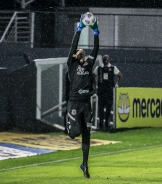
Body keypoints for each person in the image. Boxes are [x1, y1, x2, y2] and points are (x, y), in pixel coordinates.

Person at [66, 14, 99, 179]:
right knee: (75, 133)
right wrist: (79, 29)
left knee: (87, 133)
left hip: (86, 104)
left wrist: (96, 32)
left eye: (81, 52)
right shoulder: (71, 65)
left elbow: (96, 49)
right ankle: (70, 126)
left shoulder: (88, 64)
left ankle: (84, 164)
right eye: (77, 52)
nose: (79, 52)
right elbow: (73, 46)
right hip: (74, 103)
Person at [93, 55, 123, 131]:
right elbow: (93, 76)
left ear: (109, 60)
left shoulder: (113, 68)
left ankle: (107, 124)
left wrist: (117, 83)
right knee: (101, 108)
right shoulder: (99, 68)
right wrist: (95, 85)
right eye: (104, 59)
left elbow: (120, 75)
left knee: (108, 108)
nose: (105, 60)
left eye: (107, 59)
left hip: (109, 91)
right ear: (102, 60)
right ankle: (100, 124)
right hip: (101, 91)